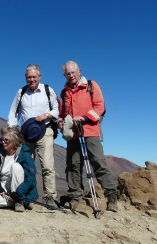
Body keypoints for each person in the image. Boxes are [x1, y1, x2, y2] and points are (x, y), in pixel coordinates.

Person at [58, 60, 118, 212]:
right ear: (64, 75)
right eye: (68, 73)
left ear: (79, 72)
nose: (71, 75)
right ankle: (75, 197)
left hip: (90, 131)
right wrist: (61, 122)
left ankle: (111, 196)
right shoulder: (65, 92)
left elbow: (100, 106)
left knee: (98, 162)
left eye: (73, 72)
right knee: (73, 165)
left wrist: (84, 118)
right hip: (73, 134)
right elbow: (62, 113)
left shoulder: (91, 85)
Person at [8, 64, 59, 208]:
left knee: (48, 165)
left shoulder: (48, 91)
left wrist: (46, 115)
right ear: (25, 78)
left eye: (34, 77)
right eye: (29, 77)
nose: (31, 79)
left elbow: (56, 110)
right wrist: (12, 130)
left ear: (39, 77)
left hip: (45, 131)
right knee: (26, 166)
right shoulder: (21, 92)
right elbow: (13, 113)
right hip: (25, 134)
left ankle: (50, 197)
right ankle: (26, 196)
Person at [0, 126, 38, 212]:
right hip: (5, 185)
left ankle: (19, 199)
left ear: (15, 141)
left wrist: (18, 192)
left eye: (6, 140)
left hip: (20, 187)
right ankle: (18, 201)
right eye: (2, 139)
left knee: (16, 166)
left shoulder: (24, 153)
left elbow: (31, 176)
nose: (3, 142)